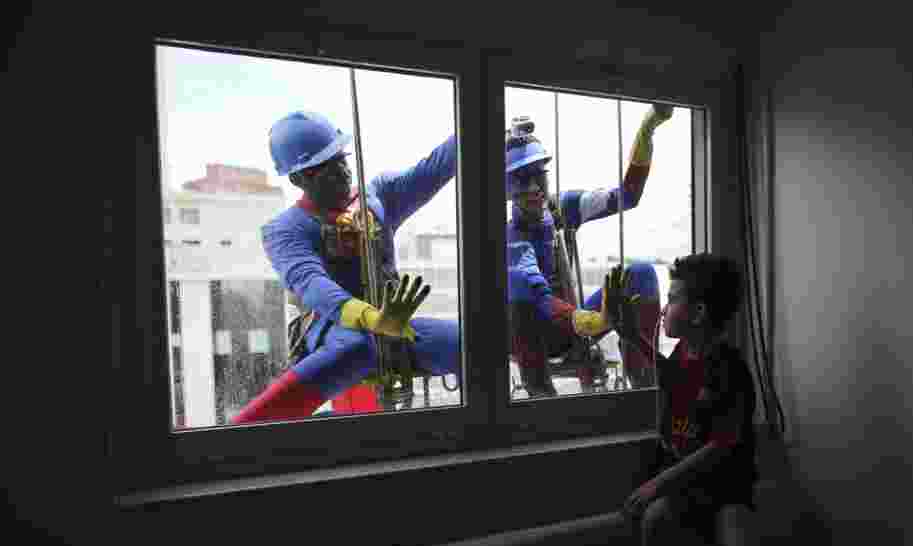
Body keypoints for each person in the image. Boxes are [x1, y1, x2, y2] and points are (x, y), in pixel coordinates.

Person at [232, 111, 460, 424]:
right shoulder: (286, 230)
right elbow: (312, 284)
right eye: (326, 168)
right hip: (332, 327)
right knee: (357, 346)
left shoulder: (376, 198)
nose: (342, 171)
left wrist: (474, 125)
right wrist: (370, 318)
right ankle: (248, 429)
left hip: (392, 320)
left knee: (472, 341)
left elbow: (433, 169)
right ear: (299, 179)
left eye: (341, 159)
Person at [604, 254, 757, 546]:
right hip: (685, 479)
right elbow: (672, 377)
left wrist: (659, 484)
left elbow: (723, 443)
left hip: (721, 484)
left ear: (698, 313)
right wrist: (629, 333)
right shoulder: (685, 354)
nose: (665, 307)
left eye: (672, 299)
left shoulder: (726, 365)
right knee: (654, 525)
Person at [505, 105, 673, 396]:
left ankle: (647, 389)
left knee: (642, 274)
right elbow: (541, 299)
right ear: (507, 187)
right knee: (523, 311)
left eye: (538, 174)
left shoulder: (560, 208)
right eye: (522, 178)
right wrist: (596, 320)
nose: (534, 187)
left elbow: (627, 196)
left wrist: (647, 129)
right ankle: (542, 400)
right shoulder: (512, 240)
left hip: (574, 324)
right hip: (533, 335)